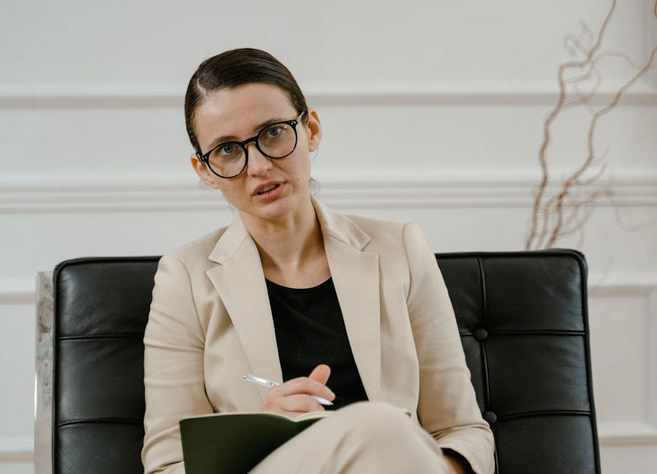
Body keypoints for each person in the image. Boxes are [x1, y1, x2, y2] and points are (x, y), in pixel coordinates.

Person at [141, 47, 495, 474]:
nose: (258, 165)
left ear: (310, 129)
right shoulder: (185, 278)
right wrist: (262, 432)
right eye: (228, 150)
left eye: (272, 133)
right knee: (378, 424)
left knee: (381, 431)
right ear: (204, 170)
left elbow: (464, 432)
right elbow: (166, 466)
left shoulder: (400, 248)